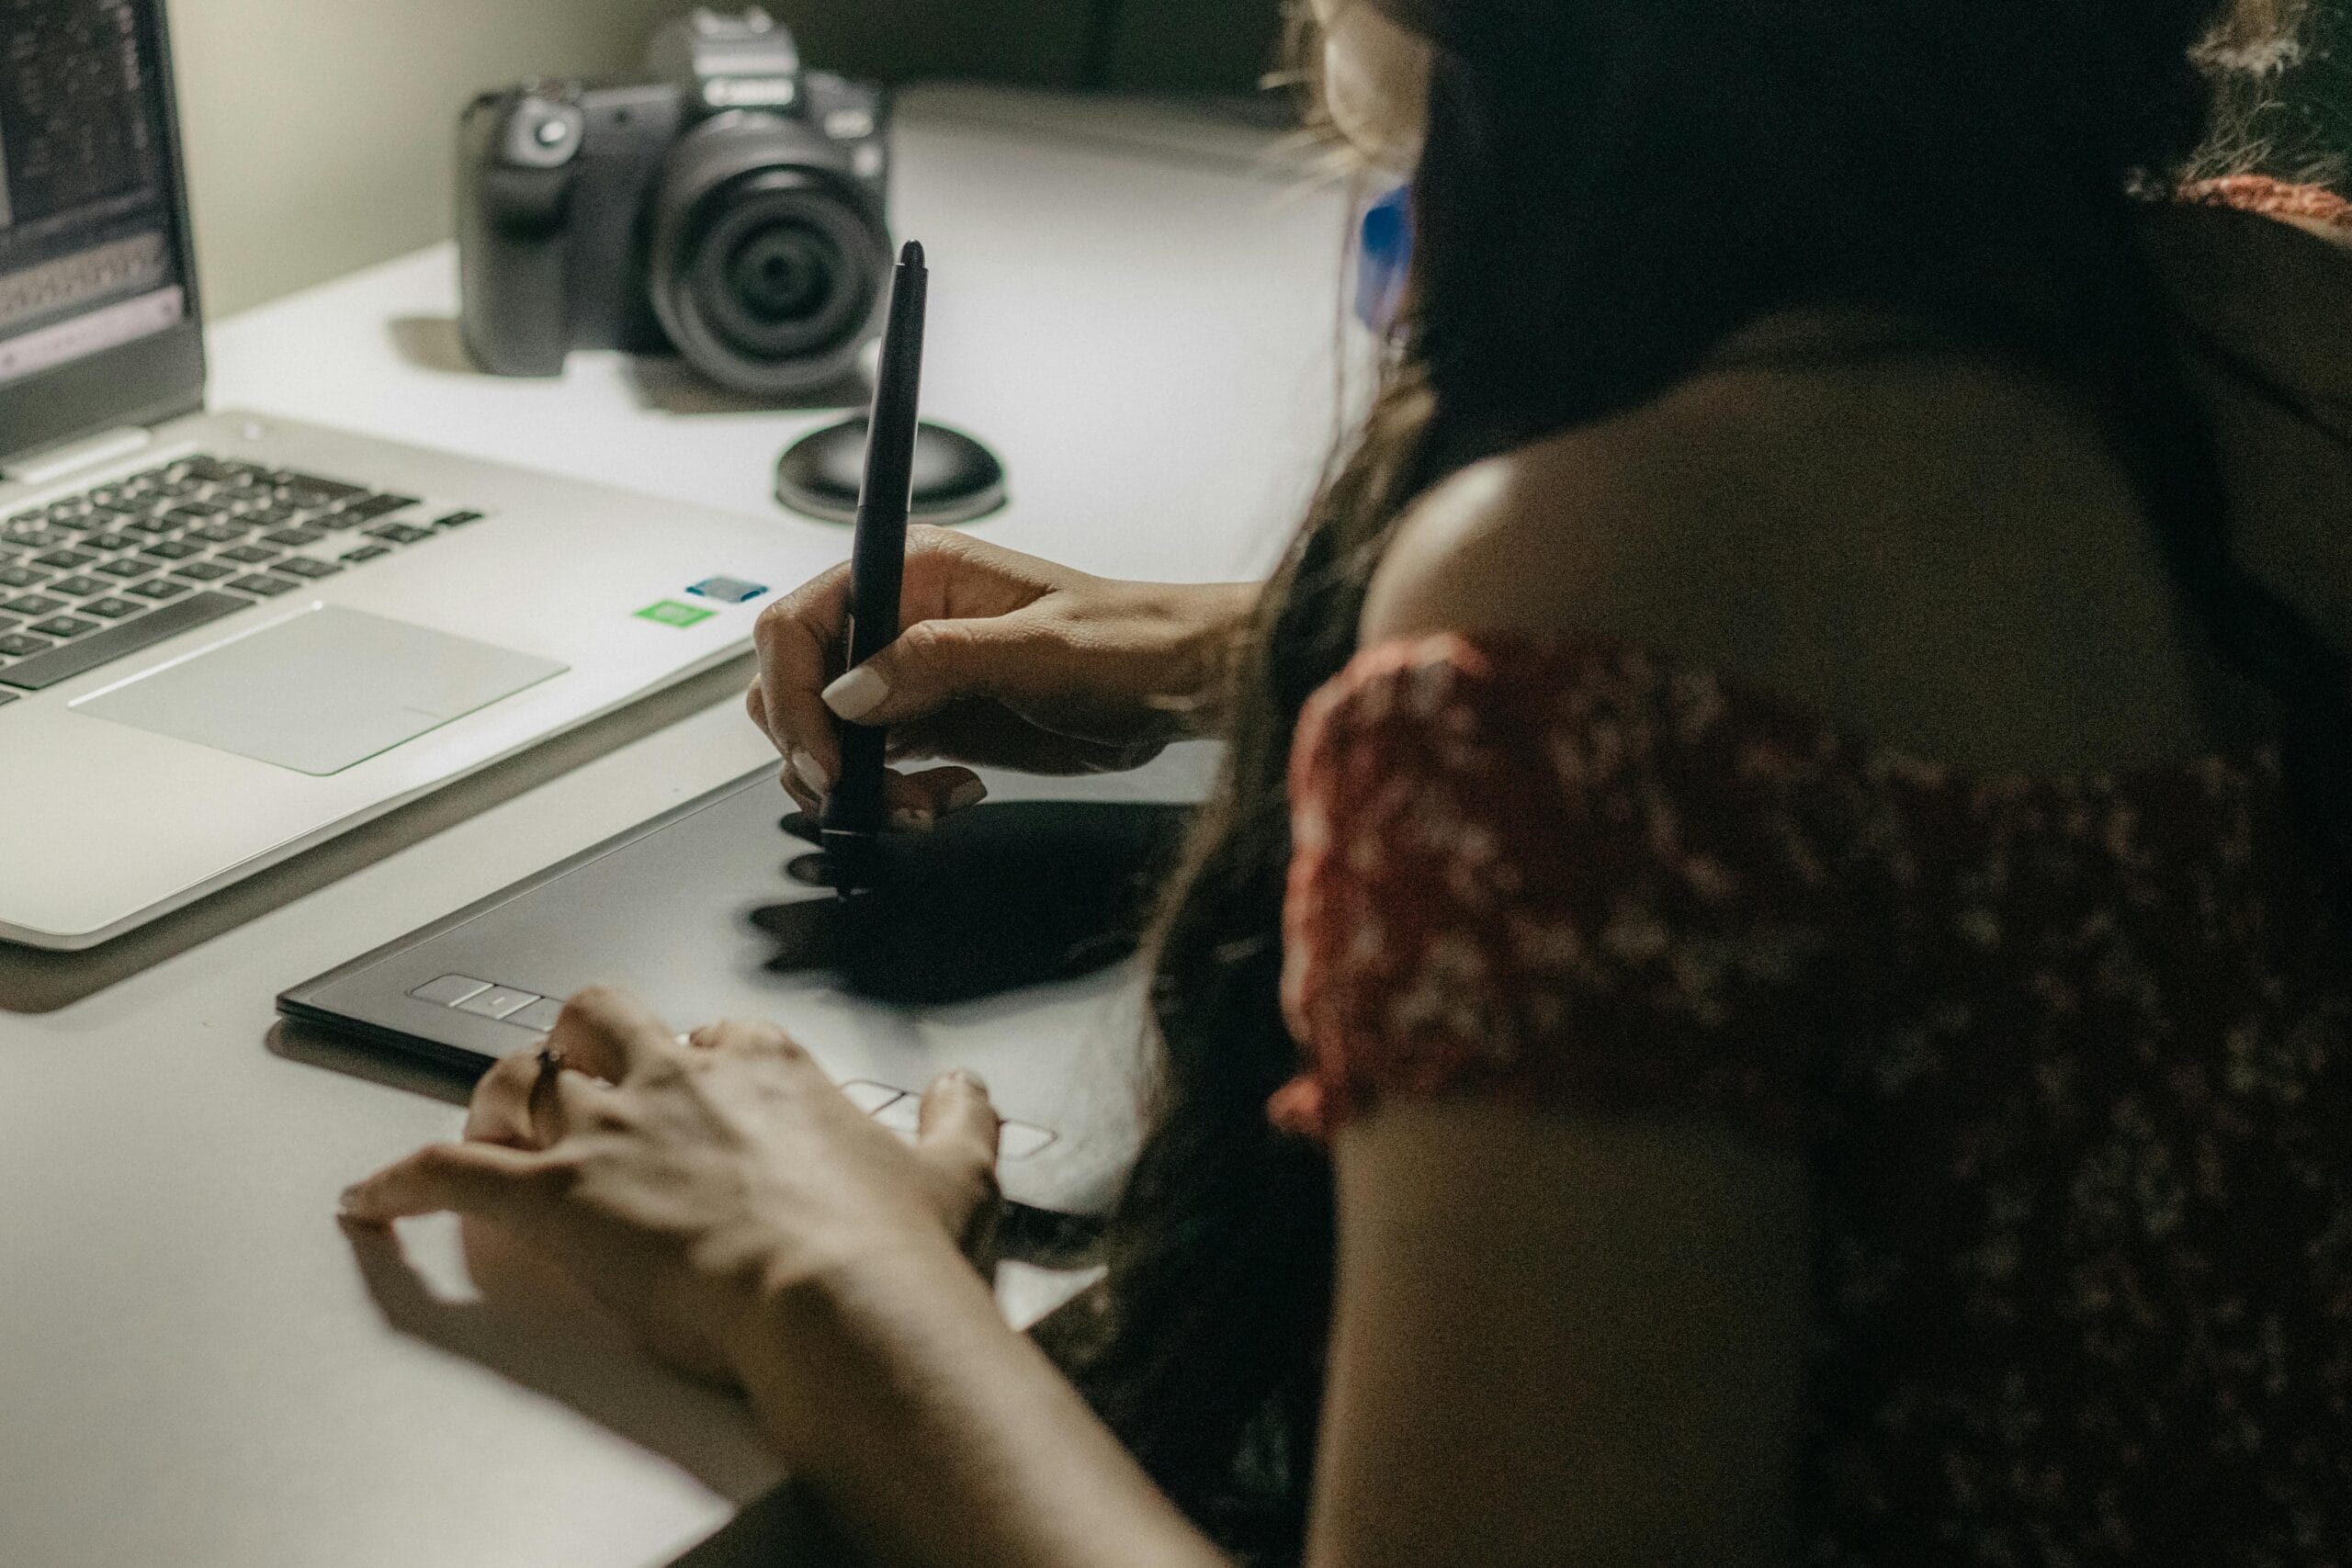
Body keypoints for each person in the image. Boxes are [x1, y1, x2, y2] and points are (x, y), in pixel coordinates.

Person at [343, 0, 2352, 1560]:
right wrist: (1276, 635)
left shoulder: (1591, 627)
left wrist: (829, 1278)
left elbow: (1677, 678)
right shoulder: (2284, 319)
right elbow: (1926, 676)